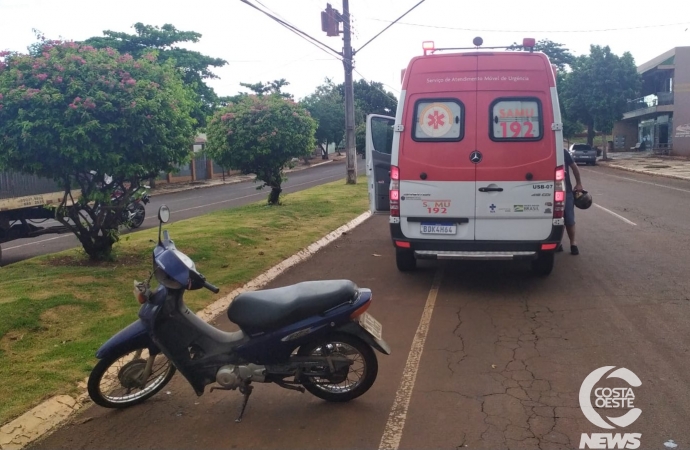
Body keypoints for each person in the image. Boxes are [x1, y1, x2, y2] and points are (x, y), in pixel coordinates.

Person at [559, 148, 583, 255]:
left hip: (566, 191)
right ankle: (558, 242)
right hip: (547, 191)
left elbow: (574, 167)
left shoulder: (563, 151)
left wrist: (579, 183)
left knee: (569, 218)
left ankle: (573, 243)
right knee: (556, 219)